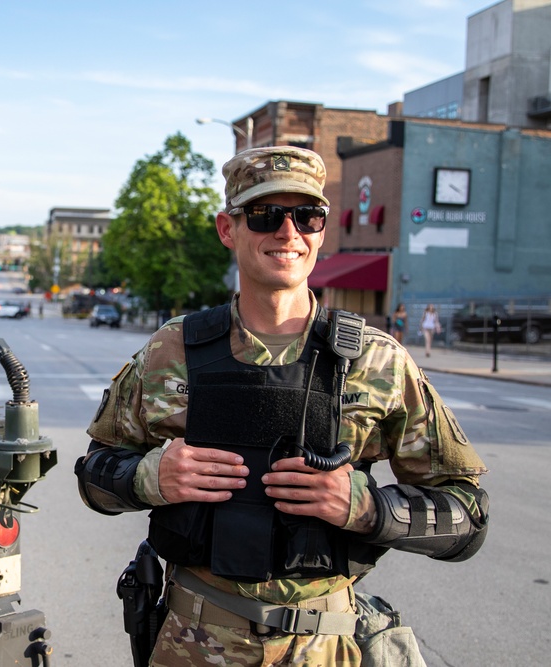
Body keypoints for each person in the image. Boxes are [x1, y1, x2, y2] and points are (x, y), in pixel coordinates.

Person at [76, 146, 489, 667]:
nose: (288, 232)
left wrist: (368, 508)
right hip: (194, 643)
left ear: (322, 230)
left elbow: (469, 518)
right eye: (265, 214)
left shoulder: (378, 361)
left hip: (328, 646)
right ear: (229, 229)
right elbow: (93, 478)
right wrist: (147, 478)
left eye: (307, 215)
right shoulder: (171, 350)